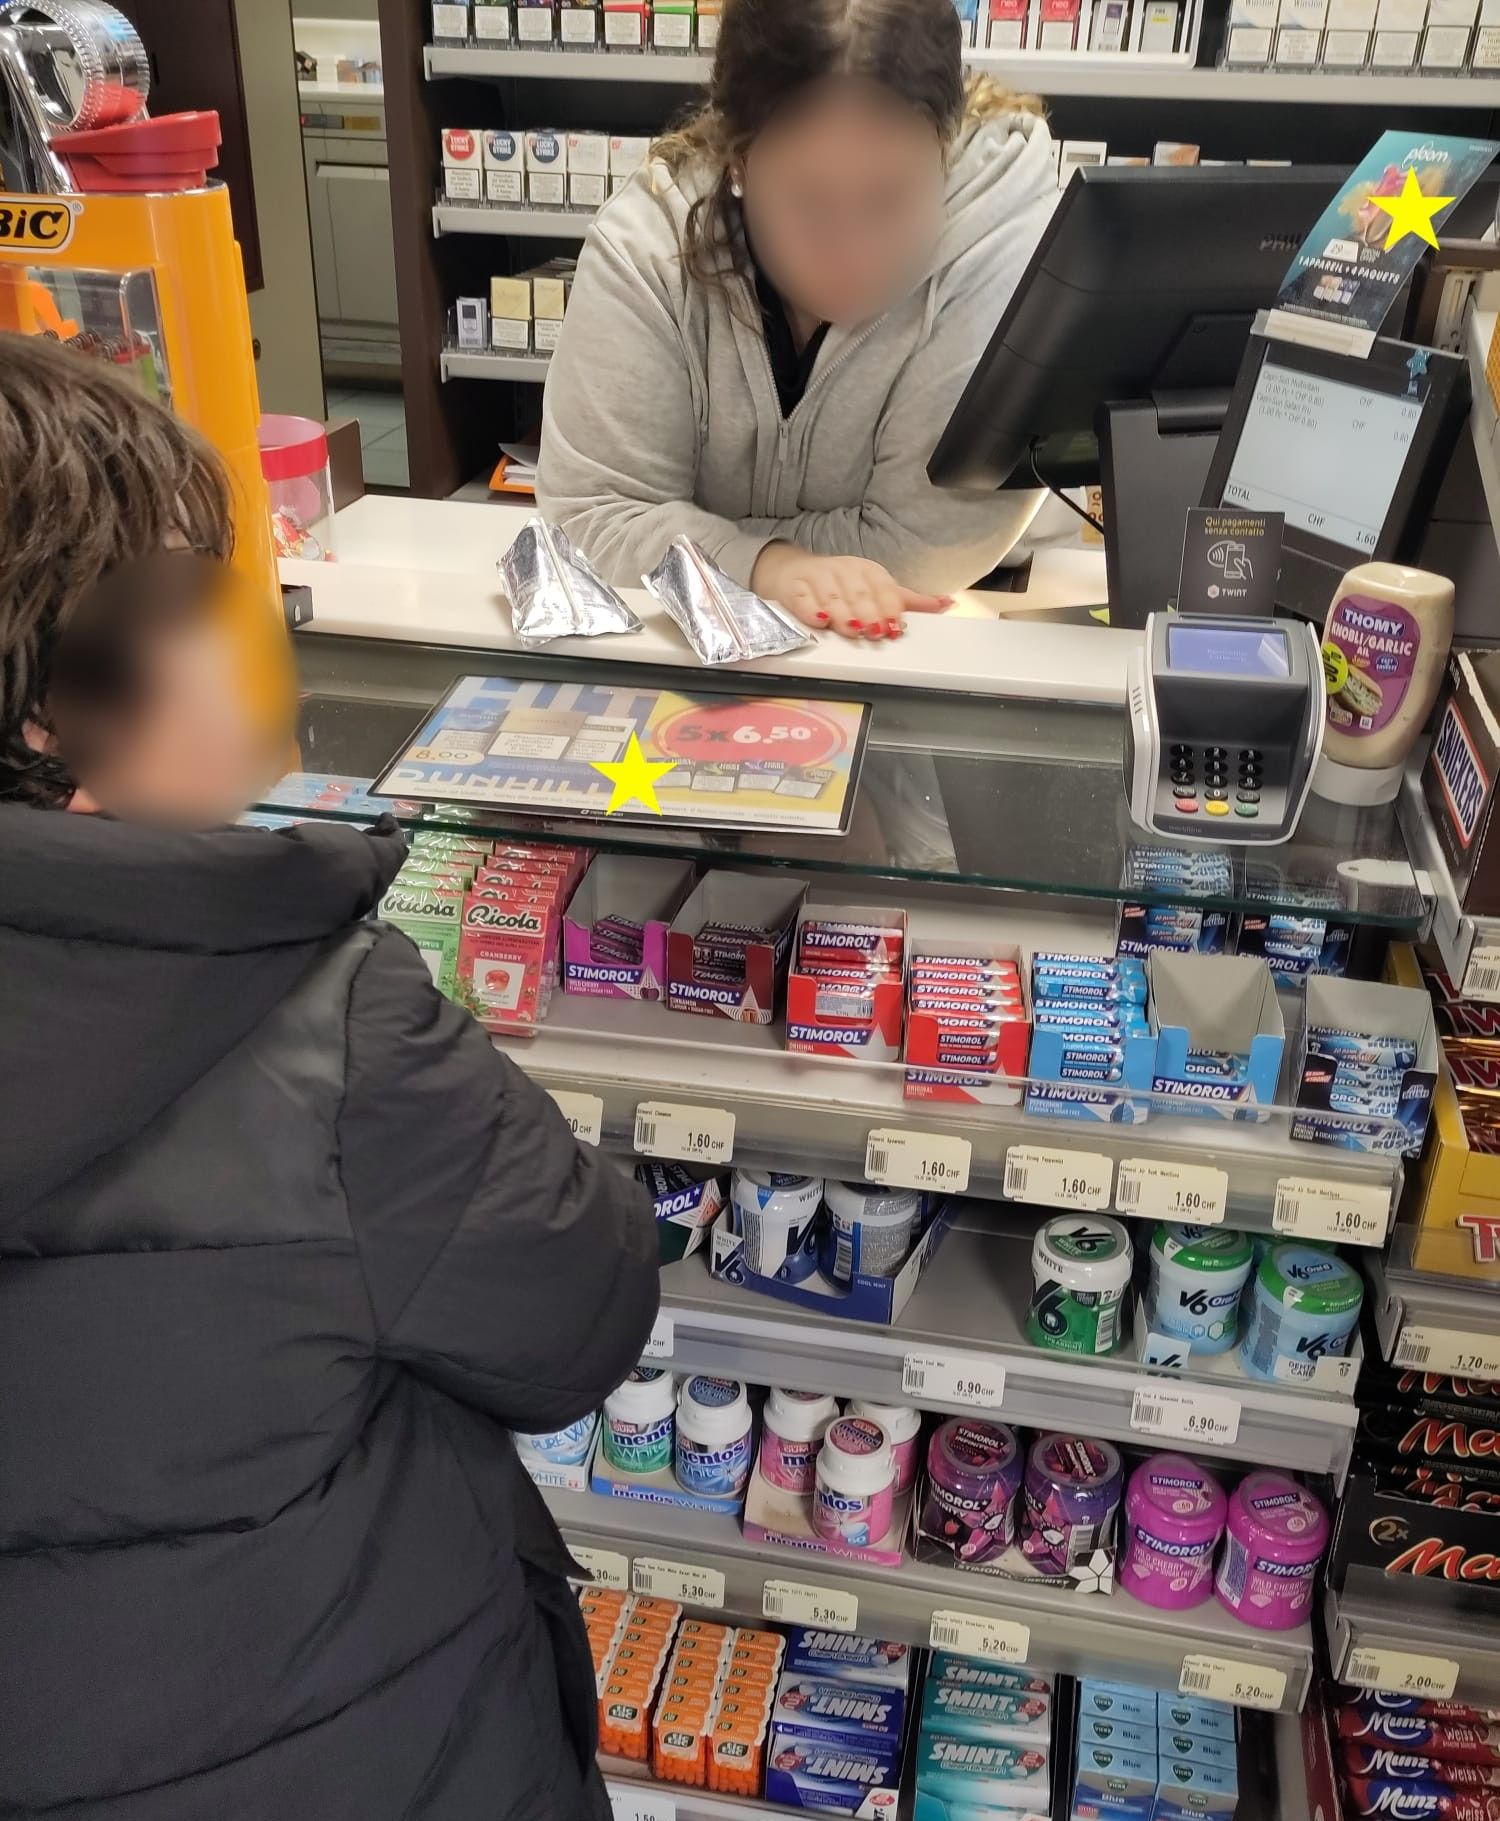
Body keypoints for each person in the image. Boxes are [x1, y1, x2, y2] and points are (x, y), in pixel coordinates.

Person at [0, 333, 658, 1821]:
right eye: (191, 601)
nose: (251, 630)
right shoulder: (328, 1033)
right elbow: (584, 1317)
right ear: (52, 713)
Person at [536, 0, 1058, 643]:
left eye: (890, 197)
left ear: (943, 147)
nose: (853, 252)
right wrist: (764, 566)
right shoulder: (647, 251)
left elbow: (929, 551)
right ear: (740, 162)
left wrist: (692, 539)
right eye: (808, 201)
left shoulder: (1010, 245)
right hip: (698, 658)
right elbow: (590, 519)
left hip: (915, 649)